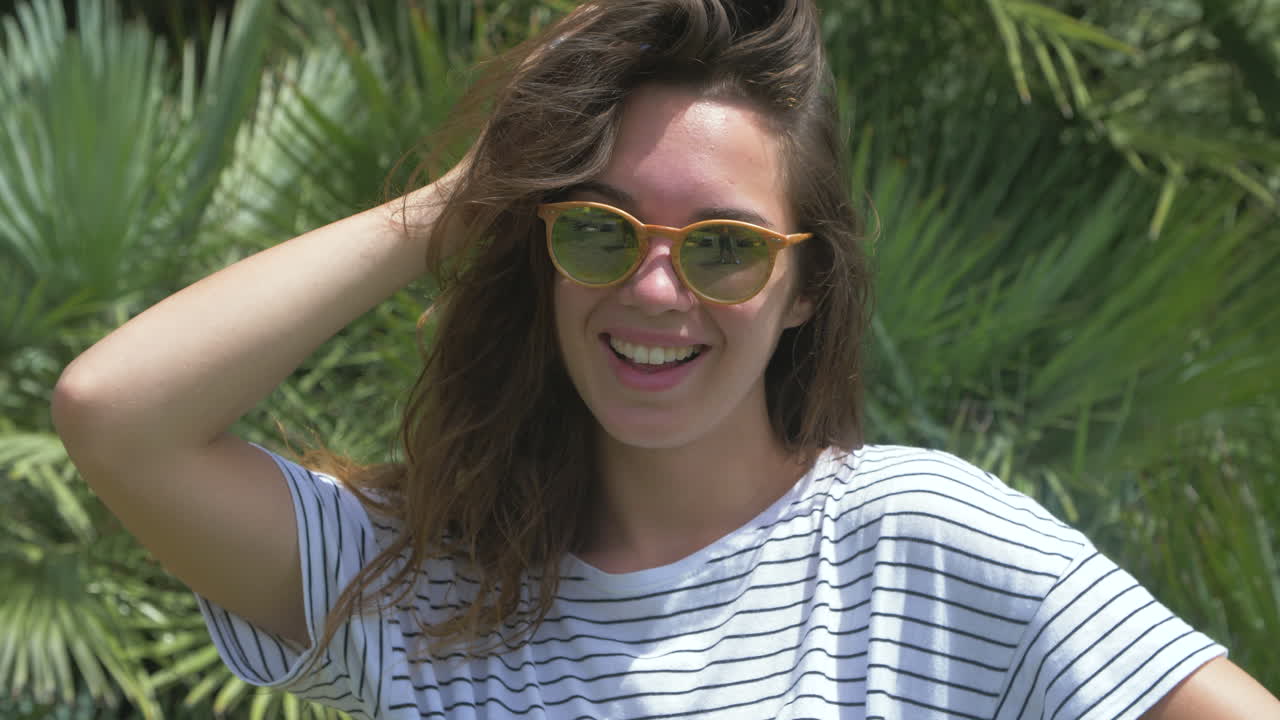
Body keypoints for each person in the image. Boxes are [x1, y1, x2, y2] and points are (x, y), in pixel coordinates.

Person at [51, 1, 1279, 718]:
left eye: (724, 248)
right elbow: (115, 413)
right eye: (599, 231)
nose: (652, 288)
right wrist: (456, 201)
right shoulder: (419, 587)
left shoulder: (920, 542)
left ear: (803, 289)